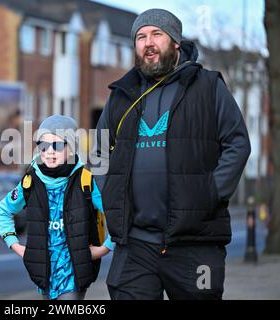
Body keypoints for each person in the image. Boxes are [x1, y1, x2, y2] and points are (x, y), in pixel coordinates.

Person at [95, 8, 251, 300]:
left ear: (175, 42)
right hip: (135, 243)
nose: (148, 43)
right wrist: (110, 193)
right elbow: (100, 151)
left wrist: (211, 191)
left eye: (157, 34)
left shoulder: (208, 87)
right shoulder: (121, 95)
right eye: (141, 37)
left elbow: (238, 143)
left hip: (195, 241)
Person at [0, 115, 114, 300]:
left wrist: (105, 248)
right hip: (44, 276)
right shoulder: (30, 180)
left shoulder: (86, 181)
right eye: (43, 145)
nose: (49, 151)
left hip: (74, 275)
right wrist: (17, 246)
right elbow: (2, 211)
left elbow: (116, 215)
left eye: (57, 145)